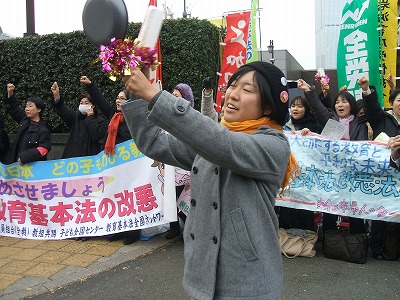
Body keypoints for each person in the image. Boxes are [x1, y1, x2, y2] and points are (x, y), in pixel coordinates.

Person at [121, 61, 299, 300]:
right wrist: (136, 95)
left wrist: (154, 94)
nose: (233, 94)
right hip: (201, 277)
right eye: (232, 86)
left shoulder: (273, 145)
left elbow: (221, 143)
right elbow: (154, 143)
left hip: (249, 283)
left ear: (268, 107)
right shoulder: (208, 139)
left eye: (246, 90)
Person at [298, 79, 368, 238]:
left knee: (354, 209)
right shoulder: (331, 120)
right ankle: (329, 240)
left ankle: (359, 241)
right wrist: (308, 90)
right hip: (332, 174)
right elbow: (317, 108)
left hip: (352, 175)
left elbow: (362, 150)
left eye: (344, 101)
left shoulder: (360, 125)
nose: (340, 105)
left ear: (351, 105)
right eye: (337, 102)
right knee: (331, 207)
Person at [79, 75, 140, 245]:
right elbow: (99, 100)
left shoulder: (134, 119)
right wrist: (91, 86)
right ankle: (118, 229)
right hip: (113, 164)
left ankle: (133, 231)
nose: (119, 101)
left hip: (129, 165)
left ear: (129, 101)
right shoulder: (113, 116)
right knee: (115, 196)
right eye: (118, 98)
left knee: (128, 197)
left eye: (123, 98)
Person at [358, 76, 400, 260]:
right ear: (391, 103)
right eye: (399, 100)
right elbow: (373, 108)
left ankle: (394, 248)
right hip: (384, 174)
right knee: (381, 211)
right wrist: (367, 90)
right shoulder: (382, 118)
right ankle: (376, 248)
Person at [280, 95, 322, 231]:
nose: (295, 109)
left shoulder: (313, 127)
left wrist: (310, 134)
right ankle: (287, 241)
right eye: (293, 106)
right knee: (287, 208)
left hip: (306, 177)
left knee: (304, 209)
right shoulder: (284, 128)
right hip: (288, 176)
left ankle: (306, 240)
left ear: (306, 109)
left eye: (299, 106)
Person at [165, 83, 194, 240]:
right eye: (172, 95)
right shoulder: (166, 116)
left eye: (177, 96)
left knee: (186, 201)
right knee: (171, 198)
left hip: (186, 169)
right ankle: (174, 227)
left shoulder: (192, 118)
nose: (173, 98)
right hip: (171, 167)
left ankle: (189, 231)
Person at [50, 81, 107, 159]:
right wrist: (57, 97)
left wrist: (90, 118)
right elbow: (64, 111)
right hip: (72, 157)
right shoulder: (75, 116)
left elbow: (98, 136)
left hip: (90, 158)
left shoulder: (99, 120)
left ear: (93, 105)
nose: (83, 105)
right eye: (81, 103)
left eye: (86, 103)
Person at [2, 83, 51, 165]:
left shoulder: (43, 130)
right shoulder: (24, 120)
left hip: (33, 170)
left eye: (30, 106)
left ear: (39, 109)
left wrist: (24, 157)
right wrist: (10, 93)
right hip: (15, 167)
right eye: (26, 106)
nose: (27, 109)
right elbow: (14, 108)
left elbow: (43, 149)